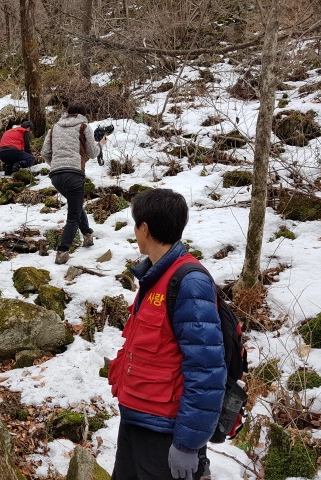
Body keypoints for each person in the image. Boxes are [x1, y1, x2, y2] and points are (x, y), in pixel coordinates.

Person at [107, 188, 226, 480]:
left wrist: (188, 444)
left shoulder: (189, 283)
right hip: (136, 419)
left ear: (144, 228)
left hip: (165, 430)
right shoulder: (155, 276)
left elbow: (207, 370)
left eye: (135, 225)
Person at [40, 104, 105, 265]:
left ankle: (88, 235)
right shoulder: (84, 126)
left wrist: (55, 164)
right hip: (74, 174)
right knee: (73, 215)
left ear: (67, 113)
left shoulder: (54, 128)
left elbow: (44, 153)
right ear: (83, 114)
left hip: (56, 176)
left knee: (75, 206)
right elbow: (92, 153)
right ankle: (62, 251)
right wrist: (101, 144)